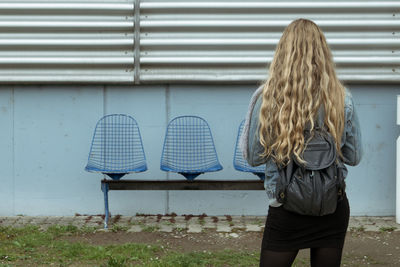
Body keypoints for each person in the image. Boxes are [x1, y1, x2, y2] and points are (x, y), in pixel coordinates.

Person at [241, 19, 362, 267]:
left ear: (283, 52)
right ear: (323, 53)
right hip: (332, 204)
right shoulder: (342, 97)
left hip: (287, 204)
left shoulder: (267, 97)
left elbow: (254, 157)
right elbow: (354, 156)